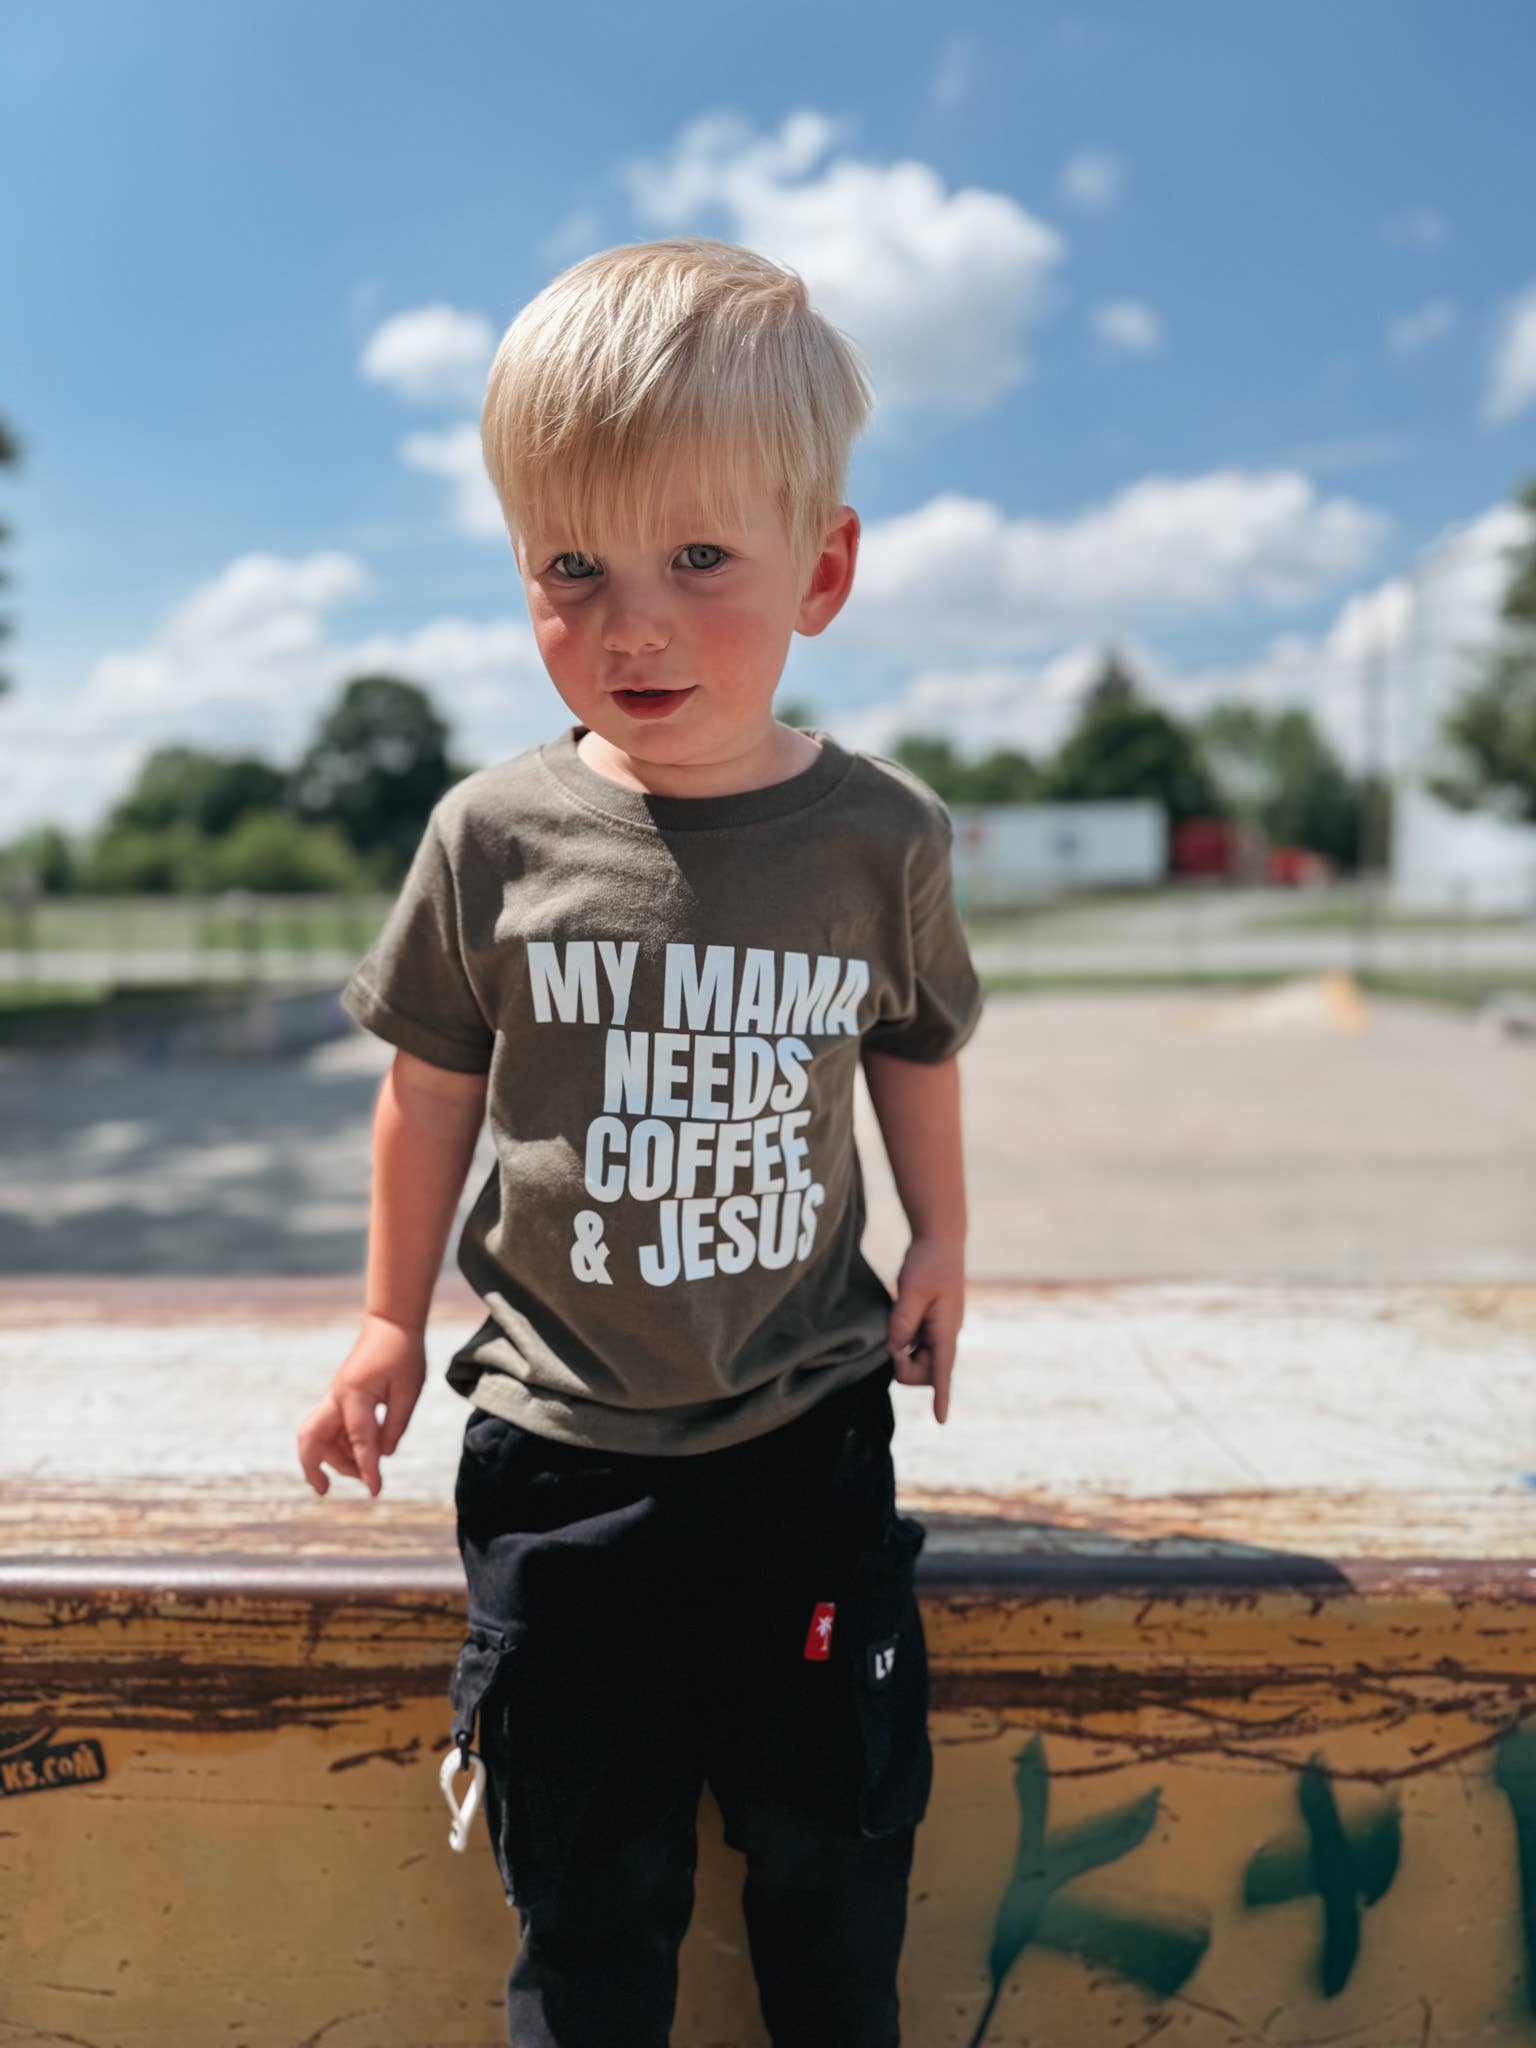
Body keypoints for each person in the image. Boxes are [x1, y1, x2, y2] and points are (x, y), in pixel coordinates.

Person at [296, 235, 985, 2047]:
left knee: (828, 1878)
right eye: (572, 569)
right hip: (557, 1456)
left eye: (700, 559)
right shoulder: (493, 837)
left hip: (803, 1433)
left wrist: (943, 1247)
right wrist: (384, 1318)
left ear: (822, 567)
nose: (634, 623)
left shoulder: (877, 839)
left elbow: (917, 1041)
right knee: (589, 1908)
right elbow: (429, 1083)